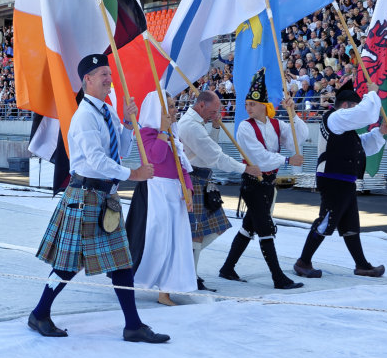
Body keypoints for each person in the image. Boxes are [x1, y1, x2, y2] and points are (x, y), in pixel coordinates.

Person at [28, 53, 168, 343]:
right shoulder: (84, 116)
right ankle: (40, 313)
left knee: (121, 263)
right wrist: (133, 174)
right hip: (86, 195)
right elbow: (95, 161)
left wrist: (129, 125)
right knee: (67, 265)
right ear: (87, 80)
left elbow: (122, 147)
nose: (109, 78)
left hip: (104, 196)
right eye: (102, 74)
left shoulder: (107, 111)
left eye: (109, 72)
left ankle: (133, 326)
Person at [218, 69, 307, 290]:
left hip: (268, 184)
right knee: (265, 228)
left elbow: (301, 136)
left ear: (264, 105)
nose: (248, 108)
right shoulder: (245, 128)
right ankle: (278, 277)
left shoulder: (277, 125)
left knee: (249, 226)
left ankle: (227, 268)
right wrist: (287, 160)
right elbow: (259, 159)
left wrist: (293, 113)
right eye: (247, 104)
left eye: (252, 104)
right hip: (253, 184)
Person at [293, 82, 387, 279]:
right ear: (346, 106)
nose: (356, 112)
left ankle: (362, 265)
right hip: (333, 177)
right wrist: (371, 94)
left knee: (350, 225)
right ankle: (303, 261)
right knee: (326, 221)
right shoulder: (335, 118)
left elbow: (362, 144)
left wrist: (380, 132)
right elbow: (366, 114)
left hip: (343, 178)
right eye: (354, 107)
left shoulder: (342, 125)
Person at [178, 88, 258, 291]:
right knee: (196, 232)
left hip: (202, 178)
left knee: (214, 227)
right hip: (194, 178)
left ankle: (186, 265)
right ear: (201, 105)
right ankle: (189, 274)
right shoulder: (191, 126)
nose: (216, 115)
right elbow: (216, 156)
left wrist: (215, 127)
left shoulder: (197, 123)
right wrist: (245, 168)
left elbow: (208, 147)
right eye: (213, 111)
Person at [126, 92, 197, 306]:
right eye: (170, 106)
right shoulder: (145, 133)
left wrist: (189, 190)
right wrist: (163, 133)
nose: (175, 110)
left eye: (174, 105)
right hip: (156, 193)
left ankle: (166, 290)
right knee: (157, 241)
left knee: (176, 242)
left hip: (174, 193)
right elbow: (153, 158)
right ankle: (142, 279)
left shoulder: (172, 135)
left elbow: (182, 166)